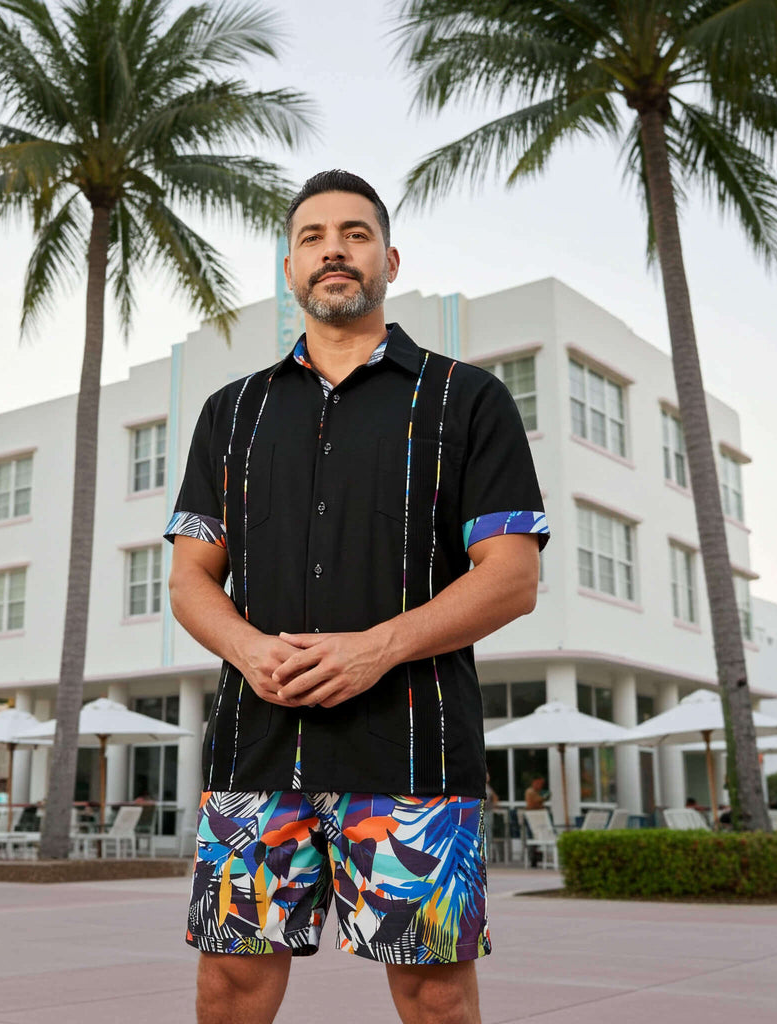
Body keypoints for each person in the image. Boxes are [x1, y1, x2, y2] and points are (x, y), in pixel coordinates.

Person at [167, 169, 548, 1024]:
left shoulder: (466, 399)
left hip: (412, 757)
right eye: (312, 237)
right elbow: (192, 576)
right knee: (227, 985)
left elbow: (513, 575)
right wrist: (246, 648)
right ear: (291, 269)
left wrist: (374, 647)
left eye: (355, 233)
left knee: (435, 994)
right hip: (253, 755)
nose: (333, 249)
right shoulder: (231, 413)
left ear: (390, 259)